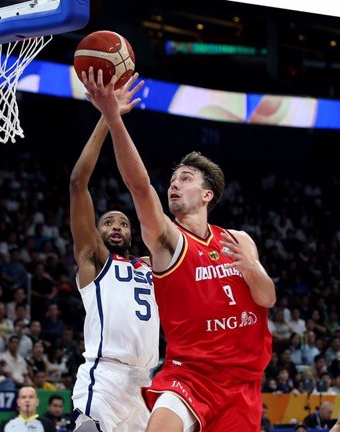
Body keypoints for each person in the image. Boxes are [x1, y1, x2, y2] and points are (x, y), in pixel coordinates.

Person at [83, 69, 275, 432]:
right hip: (189, 377)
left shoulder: (238, 240)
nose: (174, 184)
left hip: (242, 384)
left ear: (208, 195)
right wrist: (112, 117)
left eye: (185, 179)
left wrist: (252, 269)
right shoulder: (168, 241)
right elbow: (139, 187)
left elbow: (266, 298)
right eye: (172, 180)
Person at [69, 72, 160, 432]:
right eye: (108, 222)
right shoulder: (93, 260)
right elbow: (78, 183)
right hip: (104, 376)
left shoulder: (150, 265)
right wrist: (108, 117)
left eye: (123, 223)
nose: (117, 227)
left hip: (147, 383)